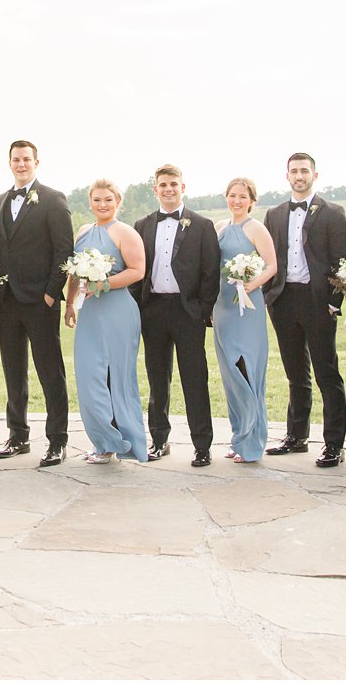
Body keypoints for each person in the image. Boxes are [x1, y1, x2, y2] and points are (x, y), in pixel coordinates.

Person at [261, 153, 346, 467]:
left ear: (315, 174)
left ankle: (333, 444)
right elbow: (268, 257)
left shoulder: (333, 213)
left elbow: (342, 261)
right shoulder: (273, 214)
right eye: (294, 171)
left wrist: (332, 302)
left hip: (318, 301)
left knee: (327, 372)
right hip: (284, 299)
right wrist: (269, 295)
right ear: (287, 176)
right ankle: (296, 437)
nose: (299, 175)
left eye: (304, 170)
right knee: (295, 373)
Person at [0, 140, 74, 467]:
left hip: (41, 301)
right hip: (7, 300)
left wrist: (51, 293)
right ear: (9, 163)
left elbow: (63, 250)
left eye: (27, 159)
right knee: (14, 372)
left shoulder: (53, 199)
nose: (21, 164)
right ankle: (18, 436)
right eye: (16, 159)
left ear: (36, 162)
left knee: (50, 371)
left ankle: (57, 440)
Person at [133, 163, 219, 466]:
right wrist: (138, 309)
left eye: (173, 184)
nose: (168, 189)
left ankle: (202, 445)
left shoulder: (202, 225)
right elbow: (137, 271)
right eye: (163, 185)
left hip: (188, 312)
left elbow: (211, 272)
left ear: (183, 187)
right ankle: (159, 440)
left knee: (195, 378)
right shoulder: (141, 225)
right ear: (155, 190)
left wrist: (202, 311)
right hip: (153, 309)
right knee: (158, 379)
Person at [64, 179, 148, 464]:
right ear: (90, 202)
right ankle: (103, 439)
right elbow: (74, 273)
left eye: (108, 200)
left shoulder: (125, 232)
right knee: (89, 379)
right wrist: (69, 303)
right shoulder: (84, 232)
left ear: (117, 202)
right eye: (97, 200)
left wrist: (105, 284)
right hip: (89, 313)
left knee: (117, 379)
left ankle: (121, 442)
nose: (102, 205)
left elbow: (137, 270)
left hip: (118, 313)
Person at [212, 177, 278, 464]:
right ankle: (239, 436)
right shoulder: (219, 227)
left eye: (243, 196)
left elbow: (272, 265)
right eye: (232, 195)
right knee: (229, 374)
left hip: (247, 307)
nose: (237, 200)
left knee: (246, 369)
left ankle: (253, 441)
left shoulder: (256, 228)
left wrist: (252, 284)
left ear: (252, 200)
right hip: (223, 306)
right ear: (226, 197)